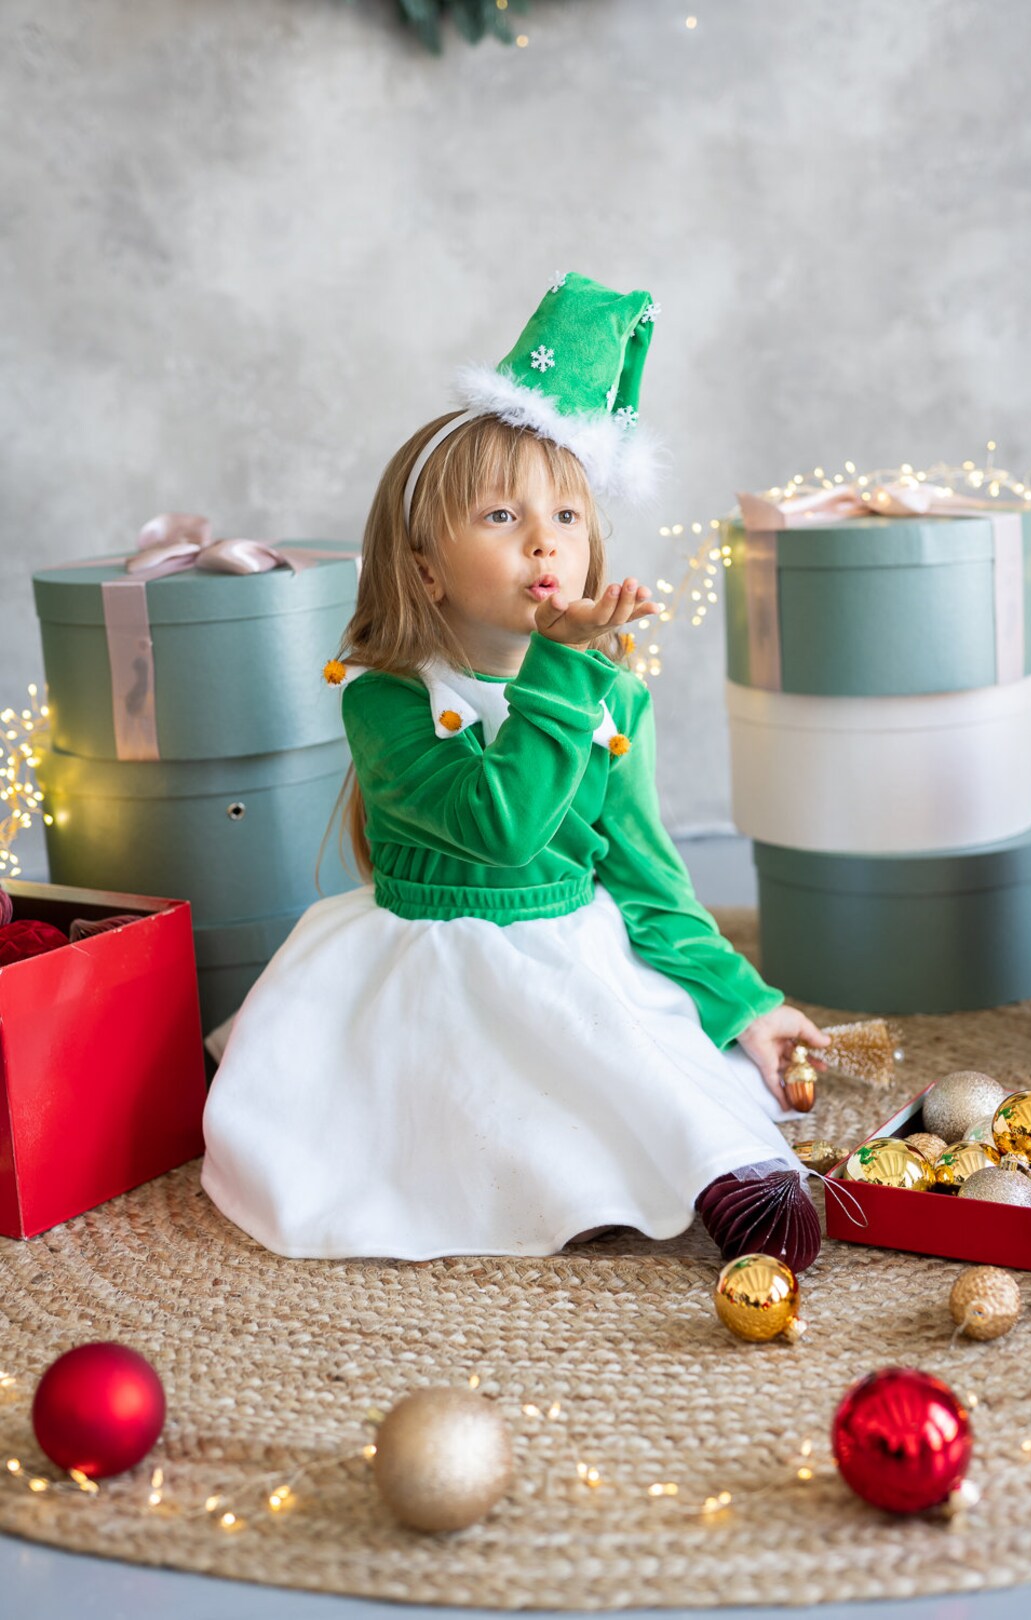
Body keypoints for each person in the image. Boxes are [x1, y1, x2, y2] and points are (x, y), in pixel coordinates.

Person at [200, 273, 829, 1269]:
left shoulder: (611, 698)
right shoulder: (385, 698)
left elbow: (647, 878)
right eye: (501, 516)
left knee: (622, 1045)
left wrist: (744, 1003)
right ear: (423, 570)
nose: (545, 540)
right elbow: (501, 826)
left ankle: (724, 1168)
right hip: (428, 962)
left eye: (568, 517)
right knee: (468, 1099)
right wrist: (565, 673)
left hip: (566, 945)